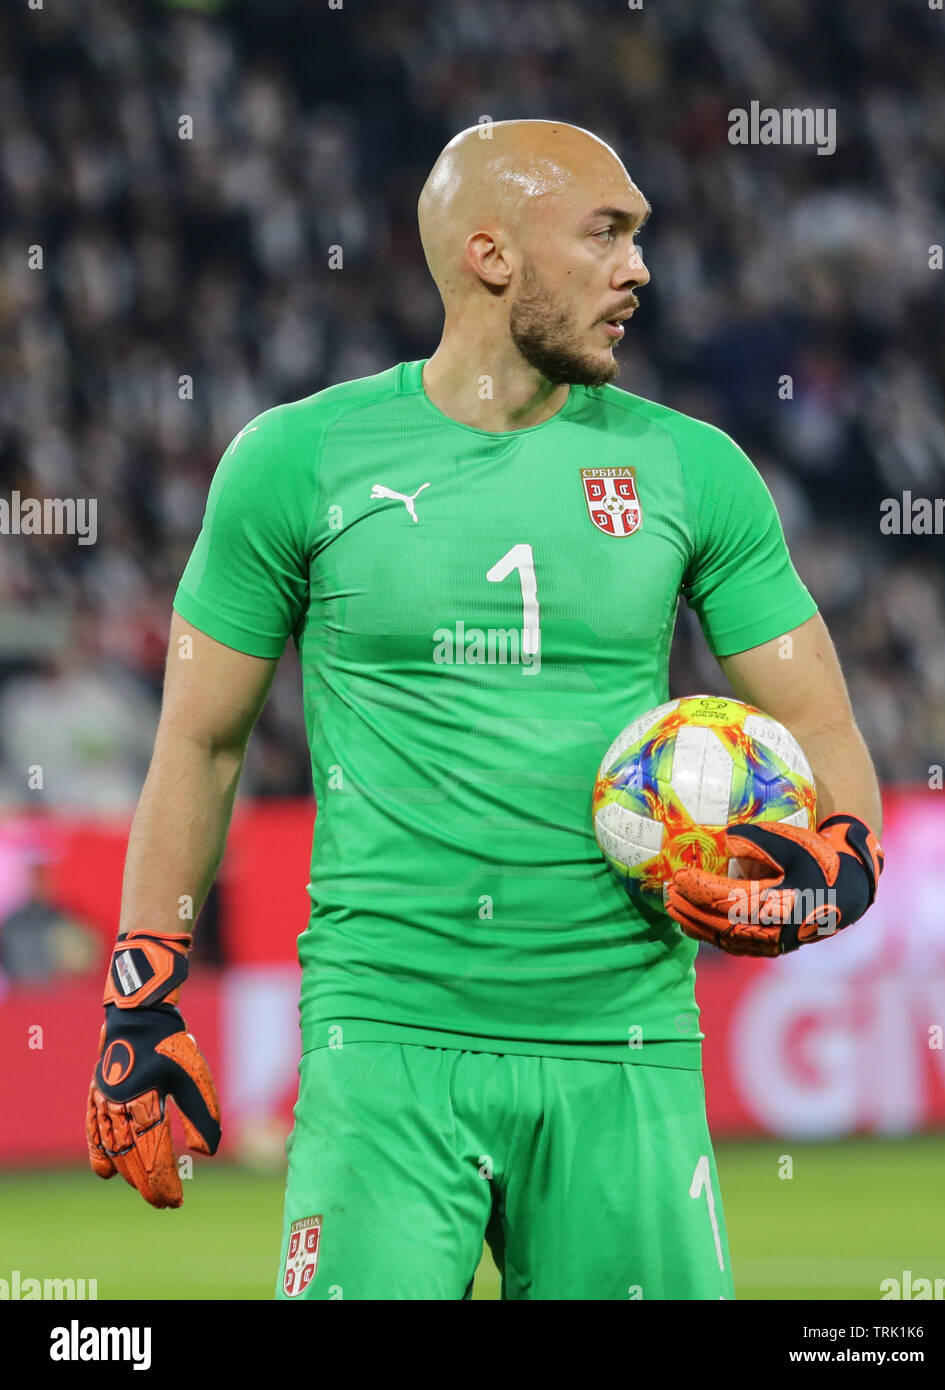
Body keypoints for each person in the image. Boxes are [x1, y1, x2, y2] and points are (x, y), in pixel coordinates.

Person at [85, 120, 884, 1300]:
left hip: (623, 1043)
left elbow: (818, 722)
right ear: (490, 254)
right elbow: (198, 745)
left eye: (640, 238)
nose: (639, 270)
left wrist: (841, 867)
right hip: (386, 1044)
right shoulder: (294, 460)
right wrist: (141, 990)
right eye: (606, 234)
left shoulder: (692, 469)